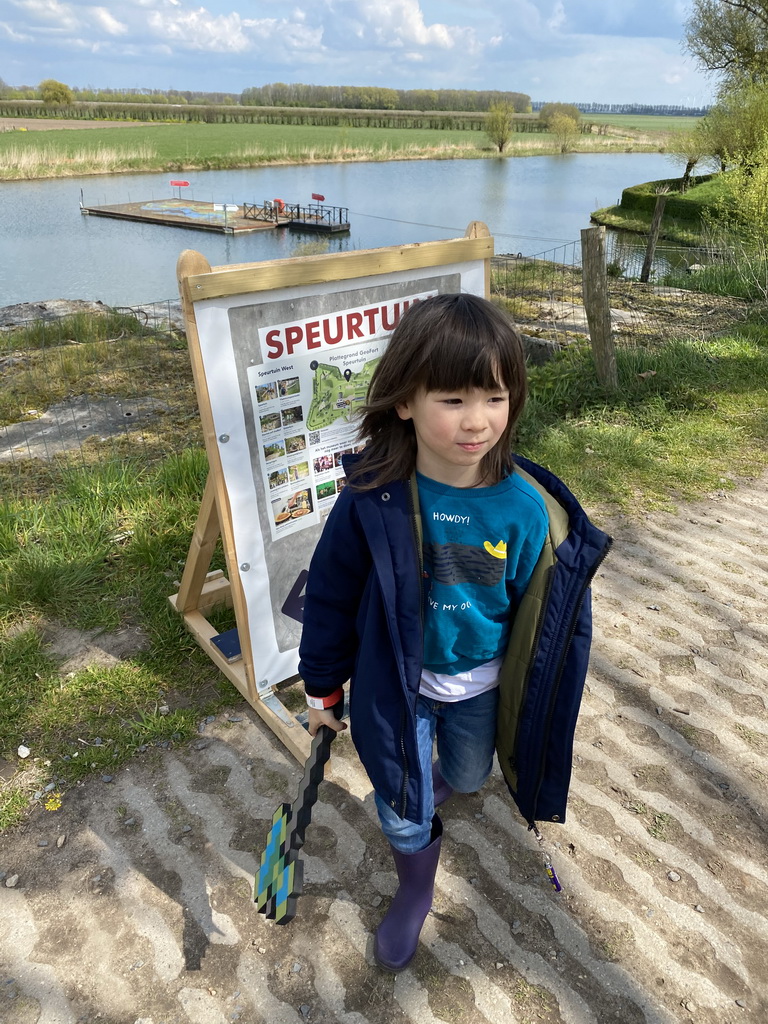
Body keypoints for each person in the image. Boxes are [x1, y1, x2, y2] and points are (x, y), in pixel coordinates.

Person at [298, 293, 610, 972]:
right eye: (453, 399)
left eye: (494, 398)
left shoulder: (530, 511)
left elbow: (542, 624)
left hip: (479, 688)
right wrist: (322, 690)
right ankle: (414, 889)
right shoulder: (369, 500)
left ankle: (437, 779)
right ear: (405, 402)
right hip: (394, 688)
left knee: (467, 775)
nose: (477, 422)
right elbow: (327, 597)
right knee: (402, 804)